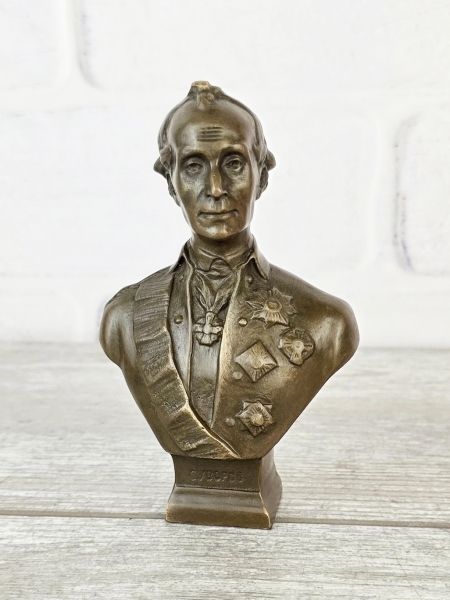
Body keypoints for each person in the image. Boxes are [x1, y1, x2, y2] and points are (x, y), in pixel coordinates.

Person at [100, 81, 359, 461]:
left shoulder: (327, 322)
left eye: (233, 163)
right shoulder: (125, 316)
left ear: (262, 175)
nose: (216, 188)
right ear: (170, 182)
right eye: (193, 166)